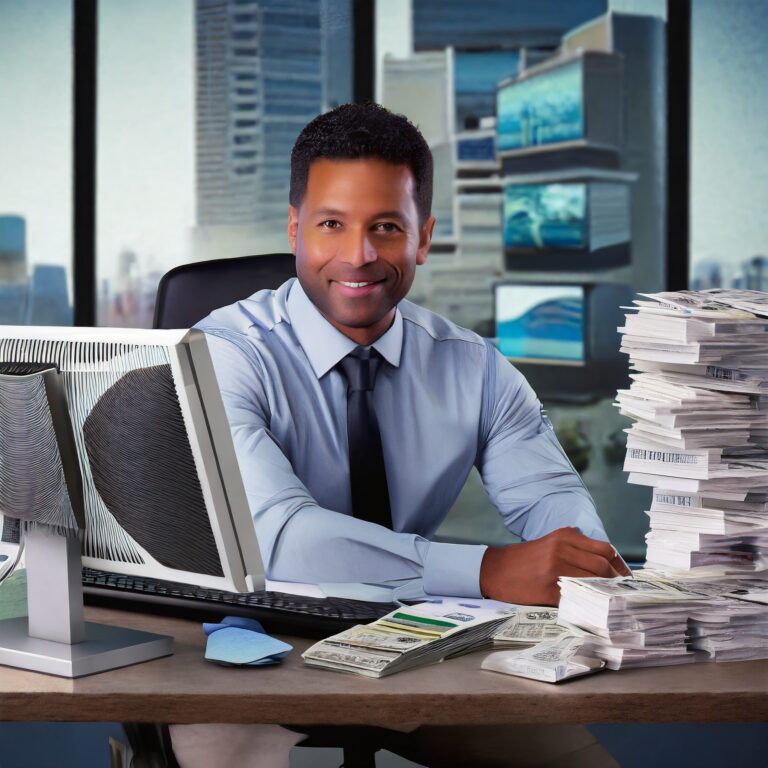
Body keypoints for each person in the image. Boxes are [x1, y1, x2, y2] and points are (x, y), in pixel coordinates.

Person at [172, 103, 625, 767]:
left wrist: (574, 560)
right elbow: (278, 541)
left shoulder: (473, 367)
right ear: (295, 227)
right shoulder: (220, 354)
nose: (359, 256)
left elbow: (555, 500)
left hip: (421, 648)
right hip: (254, 651)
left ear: (423, 237)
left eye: (385, 227)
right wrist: (492, 568)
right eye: (332, 225)